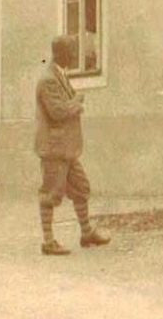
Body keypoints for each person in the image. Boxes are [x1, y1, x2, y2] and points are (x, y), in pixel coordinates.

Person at [35, 34, 111, 256]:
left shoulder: (59, 75)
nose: (74, 56)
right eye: (71, 52)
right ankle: (48, 241)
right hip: (54, 148)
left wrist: (73, 101)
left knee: (81, 187)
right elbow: (57, 112)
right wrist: (77, 103)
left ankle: (87, 233)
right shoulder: (48, 79)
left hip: (66, 148)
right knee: (51, 193)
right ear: (59, 53)